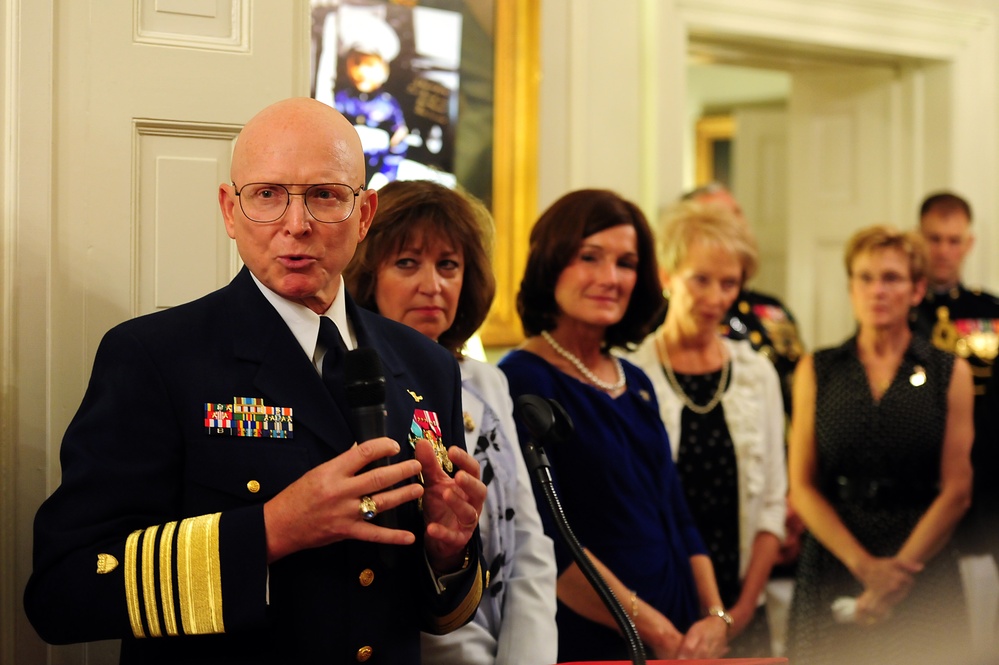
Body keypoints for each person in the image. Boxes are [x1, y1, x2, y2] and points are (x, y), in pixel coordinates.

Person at [23, 98, 486, 665]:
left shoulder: (426, 365)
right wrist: (271, 529)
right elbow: (63, 591)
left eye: (325, 195)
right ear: (229, 210)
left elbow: (431, 610)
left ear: (364, 214)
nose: (296, 224)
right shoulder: (156, 357)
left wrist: (448, 553)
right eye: (267, 194)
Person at [499, 189, 731, 661]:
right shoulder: (521, 380)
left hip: (680, 633)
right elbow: (550, 546)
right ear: (551, 262)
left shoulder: (636, 380)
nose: (610, 278)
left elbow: (677, 513)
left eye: (626, 263)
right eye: (590, 257)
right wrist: (655, 632)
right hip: (594, 639)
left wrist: (714, 616)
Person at [343, 179, 558, 665]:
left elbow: (528, 542)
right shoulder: (359, 386)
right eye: (407, 263)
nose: (433, 285)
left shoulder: (487, 381)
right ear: (367, 275)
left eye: (448, 265)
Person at [787, 225, 974, 665]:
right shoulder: (818, 369)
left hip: (920, 562)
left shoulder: (949, 371)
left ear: (916, 289)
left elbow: (957, 489)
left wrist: (896, 574)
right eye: (865, 278)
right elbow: (802, 485)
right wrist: (865, 567)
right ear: (851, 287)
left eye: (891, 278)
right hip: (836, 558)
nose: (877, 291)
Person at [627, 201, 787, 657]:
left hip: (741, 604)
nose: (716, 298)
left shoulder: (757, 373)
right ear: (667, 275)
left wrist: (741, 611)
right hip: (657, 608)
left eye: (729, 283)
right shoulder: (631, 374)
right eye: (701, 279)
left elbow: (773, 501)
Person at [682, 183, 803, 419]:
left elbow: (799, 395)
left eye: (738, 214)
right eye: (720, 218)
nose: (737, 226)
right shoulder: (664, 314)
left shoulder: (770, 309)